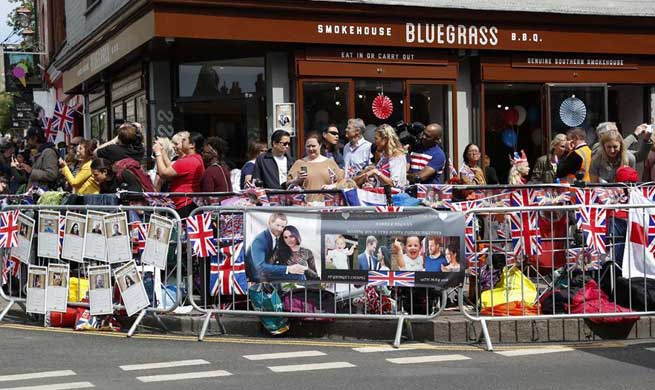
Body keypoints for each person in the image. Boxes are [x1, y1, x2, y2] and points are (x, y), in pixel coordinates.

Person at [153, 131, 205, 218]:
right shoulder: (193, 158)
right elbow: (172, 167)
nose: (181, 141)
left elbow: (164, 173)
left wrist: (157, 153)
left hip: (184, 204)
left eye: (184, 140)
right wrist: (163, 151)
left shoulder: (189, 161)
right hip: (184, 203)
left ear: (192, 145)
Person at [244, 212, 306, 282]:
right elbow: (260, 267)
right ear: (270, 223)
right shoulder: (259, 240)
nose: (279, 229)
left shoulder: (277, 237)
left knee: (301, 272)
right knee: (299, 276)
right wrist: (288, 269)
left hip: (267, 272)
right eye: (277, 225)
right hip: (257, 274)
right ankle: (304, 292)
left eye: (282, 227)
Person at [287, 134, 345, 202]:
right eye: (308, 146)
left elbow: (343, 182)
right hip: (306, 206)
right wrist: (296, 180)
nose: (311, 149)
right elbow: (288, 184)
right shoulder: (299, 163)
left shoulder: (330, 162)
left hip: (327, 206)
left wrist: (333, 186)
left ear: (320, 145)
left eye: (313, 146)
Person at [355, 124, 407, 188]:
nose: (375, 142)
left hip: (395, 196)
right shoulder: (384, 155)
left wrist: (376, 172)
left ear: (385, 139)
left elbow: (393, 183)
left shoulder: (397, 156)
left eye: (376, 139)